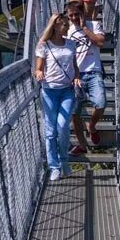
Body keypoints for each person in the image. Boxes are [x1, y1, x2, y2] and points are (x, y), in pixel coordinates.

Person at [34, 12, 79, 181]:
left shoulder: (71, 44)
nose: (67, 27)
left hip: (67, 90)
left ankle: (64, 160)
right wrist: (38, 72)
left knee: (62, 126)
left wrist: (76, 77)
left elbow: (74, 66)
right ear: (56, 26)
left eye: (67, 25)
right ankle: (54, 167)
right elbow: (38, 68)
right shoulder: (44, 45)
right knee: (51, 132)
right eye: (64, 25)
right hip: (49, 91)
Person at [65, 0, 107, 155]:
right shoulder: (66, 31)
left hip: (93, 71)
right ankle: (82, 145)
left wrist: (84, 28)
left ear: (83, 13)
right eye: (71, 15)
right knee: (74, 112)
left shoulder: (94, 25)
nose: (74, 18)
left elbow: (100, 42)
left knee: (101, 103)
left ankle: (91, 126)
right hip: (74, 76)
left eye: (77, 14)